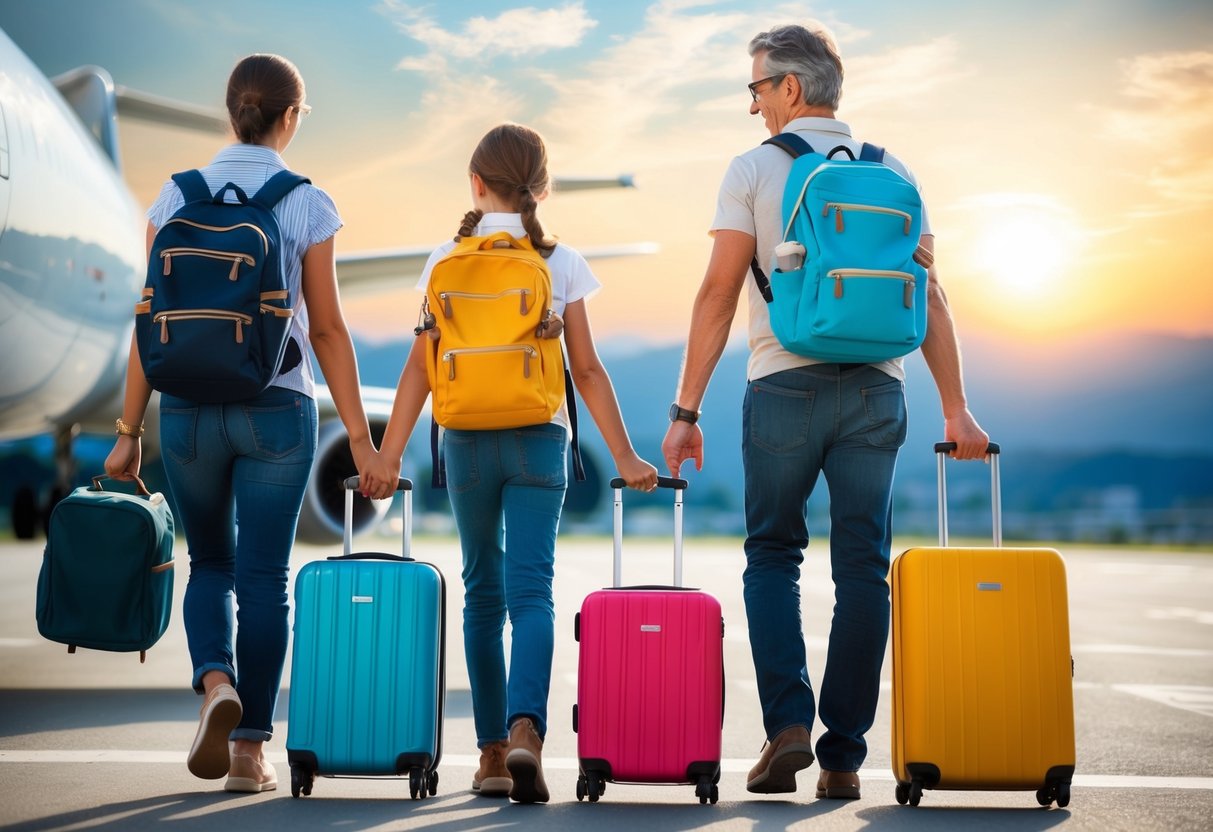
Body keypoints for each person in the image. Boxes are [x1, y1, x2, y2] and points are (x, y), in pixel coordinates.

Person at [660, 24, 990, 801]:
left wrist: (685, 409)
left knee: (773, 553)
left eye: (756, 89)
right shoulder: (892, 168)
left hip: (783, 383)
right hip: (878, 389)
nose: (752, 107)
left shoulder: (753, 169)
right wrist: (956, 409)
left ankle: (787, 728)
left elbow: (715, 294)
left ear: (791, 89)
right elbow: (930, 294)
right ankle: (842, 756)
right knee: (861, 570)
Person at [105, 53, 383, 794]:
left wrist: (130, 430)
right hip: (277, 410)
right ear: (289, 118)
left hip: (188, 413)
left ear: (231, 111)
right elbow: (326, 331)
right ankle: (250, 751)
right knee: (264, 578)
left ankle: (214, 681)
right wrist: (360, 438)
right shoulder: (306, 202)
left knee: (211, 565)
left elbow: (148, 319)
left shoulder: (173, 197)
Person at [363, 123, 658, 804]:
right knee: (532, 592)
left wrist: (385, 451)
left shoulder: (445, 258)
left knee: (481, 591)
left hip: (465, 442)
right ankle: (528, 728)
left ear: (474, 183)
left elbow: (419, 368)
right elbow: (585, 369)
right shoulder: (560, 261)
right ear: (542, 187)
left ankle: (493, 754)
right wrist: (625, 456)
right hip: (538, 438)